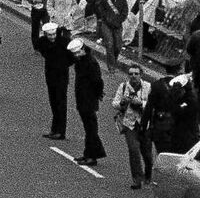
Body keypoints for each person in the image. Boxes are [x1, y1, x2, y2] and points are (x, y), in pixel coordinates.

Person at [113, 64, 153, 189]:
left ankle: (148, 174)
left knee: (147, 153)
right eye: (131, 74)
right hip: (129, 124)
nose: (133, 76)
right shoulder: (123, 86)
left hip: (144, 124)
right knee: (133, 150)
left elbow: (153, 104)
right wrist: (122, 103)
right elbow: (114, 103)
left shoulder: (148, 86)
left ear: (141, 75)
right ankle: (137, 178)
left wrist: (141, 103)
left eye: (136, 74)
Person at [71, 37, 108, 166]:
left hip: (88, 99)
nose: (76, 55)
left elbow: (97, 81)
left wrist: (98, 94)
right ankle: (89, 153)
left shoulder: (91, 63)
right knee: (88, 128)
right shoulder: (81, 61)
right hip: (82, 98)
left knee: (91, 128)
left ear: (83, 50)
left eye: (77, 52)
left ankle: (92, 155)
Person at [38, 22, 73, 140]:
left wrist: (63, 65)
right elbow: (43, 51)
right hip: (50, 75)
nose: (52, 37)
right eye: (49, 35)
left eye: (53, 34)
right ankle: (54, 129)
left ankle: (61, 131)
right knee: (53, 103)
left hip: (61, 76)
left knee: (61, 104)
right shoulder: (43, 42)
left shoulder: (64, 42)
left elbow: (72, 58)